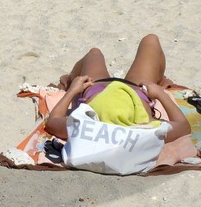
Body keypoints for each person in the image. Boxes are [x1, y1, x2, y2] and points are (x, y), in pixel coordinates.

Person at [43, 34, 191, 174]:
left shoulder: (85, 129)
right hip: (130, 89)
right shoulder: (147, 133)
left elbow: (52, 122)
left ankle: (69, 80)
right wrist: (159, 93)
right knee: (151, 40)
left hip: (102, 87)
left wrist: (72, 90)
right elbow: (184, 126)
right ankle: (160, 79)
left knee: (94, 53)